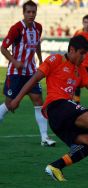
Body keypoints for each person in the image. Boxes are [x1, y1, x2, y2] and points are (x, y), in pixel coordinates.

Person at [7, 35, 88, 181]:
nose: (83, 57)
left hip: (62, 118)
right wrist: (17, 99)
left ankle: (55, 166)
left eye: (86, 54)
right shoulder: (56, 60)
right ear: (72, 50)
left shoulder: (80, 69)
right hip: (57, 106)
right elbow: (33, 79)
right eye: (82, 53)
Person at [0, 0, 56, 147]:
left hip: (31, 72)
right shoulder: (16, 28)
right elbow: (3, 48)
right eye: (28, 12)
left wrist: (40, 58)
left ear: (36, 12)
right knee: (10, 105)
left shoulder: (38, 27)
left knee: (39, 102)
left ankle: (45, 137)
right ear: (23, 13)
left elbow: (37, 43)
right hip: (15, 73)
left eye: (33, 12)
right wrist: (15, 61)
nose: (31, 14)